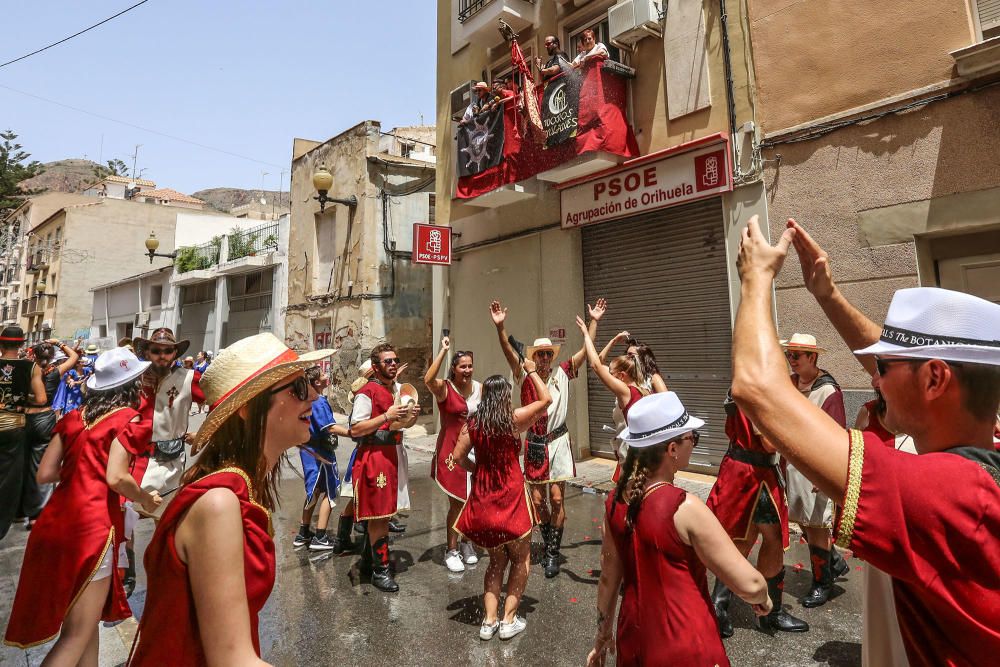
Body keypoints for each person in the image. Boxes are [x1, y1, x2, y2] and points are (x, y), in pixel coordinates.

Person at [731, 215, 1000, 666]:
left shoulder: (945, 494)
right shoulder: (978, 455)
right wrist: (827, 294)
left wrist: (756, 278)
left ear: (935, 379)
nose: (874, 380)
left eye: (884, 370)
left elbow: (756, 388)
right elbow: (901, 365)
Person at [129, 333, 333, 665]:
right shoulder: (220, 503)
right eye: (298, 388)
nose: (313, 395)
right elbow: (232, 659)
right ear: (248, 409)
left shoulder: (240, 487)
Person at [587, 392, 771, 667]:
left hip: (633, 640)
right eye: (691, 438)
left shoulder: (614, 502)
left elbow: (608, 579)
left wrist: (602, 636)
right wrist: (764, 598)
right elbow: (750, 584)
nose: (694, 444)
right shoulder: (684, 507)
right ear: (672, 449)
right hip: (685, 645)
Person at [3, 347, 160, 661]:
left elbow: (45, 473)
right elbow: (116, 477)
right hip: (92, 530)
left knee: (84, 632)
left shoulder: (74, 418)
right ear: (130, 385)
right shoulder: (129, 419)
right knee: (75, 636)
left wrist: (82, 468)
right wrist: (145, 498)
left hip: (53, 525)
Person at [491, 297, 606, 578]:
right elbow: (508, 351)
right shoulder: (524, 374)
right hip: (534, 442)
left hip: (558, 442)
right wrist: (500, 328)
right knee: (538, 501)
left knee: (556, 499)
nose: (544, 358)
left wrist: (594, 322)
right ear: (534, 356)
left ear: (552, 357)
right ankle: (547, 538)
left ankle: (553, 552)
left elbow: (585, 351)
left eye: (547, 354)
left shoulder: (564, 373)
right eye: (540, 354)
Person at [453, 359, 551, 641]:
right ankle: (508, 621)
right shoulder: (513, 419)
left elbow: (459, 458)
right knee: (521, 559)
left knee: (496, 562)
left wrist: (478, 470)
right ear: (505, 396)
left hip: (484, 500)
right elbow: (546, 399)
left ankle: (488, 621)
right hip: (511, 499)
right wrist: (531, 370)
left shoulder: (473, 425)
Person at [706, 393, 809, 637]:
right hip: (748, 472)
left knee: (768, 539)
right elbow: (770, 443)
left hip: (755, 471)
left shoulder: (745, 385)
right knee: (741, 540)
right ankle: (721, 606)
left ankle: (763, 610)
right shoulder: (757, 390)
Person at [780, 332, 849, 607]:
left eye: (797, 355)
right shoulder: (789, 384)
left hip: (815, 468)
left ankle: (823, 584)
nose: (792, 360)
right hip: (792, 465)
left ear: (813, 357)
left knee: (817, 525)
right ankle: (834, 561)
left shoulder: (828, 391)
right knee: (803, 521)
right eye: (789, 355)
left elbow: (836, 435)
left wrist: (826, 472)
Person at [853, 371, 915, 666]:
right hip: (878, 524)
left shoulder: (926, 423)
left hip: (913, 531)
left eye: (882, 372)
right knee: (879, 607)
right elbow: (853, 456)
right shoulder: (866, 413)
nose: (874, 381)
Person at [349, 343, 419, 592]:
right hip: (374, 456)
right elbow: (355, 429)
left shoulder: (396, 390)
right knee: (378, 516)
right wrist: (386, 416)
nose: (393, 364)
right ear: (376, 367)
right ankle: (381, 572)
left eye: (395, 360)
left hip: (393, 454)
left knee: (386, 513)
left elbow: (399, 424)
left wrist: (411, 415)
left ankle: (369, 561)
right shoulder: (367, 392)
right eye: (387, 361)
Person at [423, 335, 482, 573]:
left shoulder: (480, 388)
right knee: (458, 502)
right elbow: (428, 379)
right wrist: (443, 351)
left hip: (475, 450)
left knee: (472, 501)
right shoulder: (445, 389)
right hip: (451, 451)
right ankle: (452, 549)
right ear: (454, 369)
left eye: (470, 365)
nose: (467, 370)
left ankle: (468, 543)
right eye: (462, 366)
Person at [133, 328, 205, 519]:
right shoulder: (134, 377)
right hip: (135, 459)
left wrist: (204, 434)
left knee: (166, 520)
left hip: (170, 463)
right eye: (156, 351)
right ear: (148, 352)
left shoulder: (189, 378)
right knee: (127, 519)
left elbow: (220, 401)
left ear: (175, 353)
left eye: (167, 351)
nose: (162, 356)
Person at [577, 317, 647, 483]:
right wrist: (614, 340)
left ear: (622, 376)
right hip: (637, 452)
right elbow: (599, 363)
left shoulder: (627, 391)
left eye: (612, 375)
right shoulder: (641, 388)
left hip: (632, 456)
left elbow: (595, 365)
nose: (609, 377)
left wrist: (587, 334)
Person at [293, 366, 351, 552]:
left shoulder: (307, 398)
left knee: (314, 490)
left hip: (309, 450)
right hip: (320, 453)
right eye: (324, 375)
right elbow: (329, 427)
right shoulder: (318, 401)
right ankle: (320, 536)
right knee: (330, 491)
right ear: (317, 382)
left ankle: (303, 533)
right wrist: (352, 433)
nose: (328, 376)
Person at [22, 339, 79, 526]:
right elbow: (74, 357)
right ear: (52, 357)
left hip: (24, 418)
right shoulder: (56, 372)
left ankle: (19, 510)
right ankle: (37, 513)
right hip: (45, 418)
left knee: (22, 463)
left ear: (35, 355)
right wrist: (59, 343)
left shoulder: (28, 371)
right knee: (40, 464)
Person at [0, 326, 45, 540]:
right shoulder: (32, 367)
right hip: (14, 426)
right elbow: (42, 399)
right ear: (21, 344)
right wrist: (23, 402)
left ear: (1, 344)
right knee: (9, 477)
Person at [599, 332, 668, 394]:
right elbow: (598, 364)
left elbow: (667, 401)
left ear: (642, 358)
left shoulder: (652, 378)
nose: (627, 357)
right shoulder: (623, 376)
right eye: (626, 354)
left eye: (631, 355)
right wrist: (613, 341)